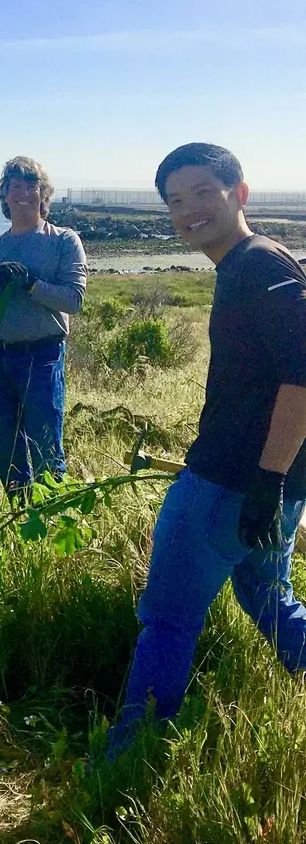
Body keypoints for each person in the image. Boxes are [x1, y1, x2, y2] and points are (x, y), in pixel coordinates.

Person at [108, 143, 306, 759]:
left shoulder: (256, 266)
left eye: (203, 193)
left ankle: (127, 758)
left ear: (239, 193)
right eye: (175, 200)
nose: (189, 210)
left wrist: (266, 483)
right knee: (268, 599)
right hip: (267, 484)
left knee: (166, 621)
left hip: (229, 484)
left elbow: (302, 377)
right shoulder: (248, 265)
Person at [0, 156, 86, 497]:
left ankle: (52, 517)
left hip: (42, 355)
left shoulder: (63, 241)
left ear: (43, 194)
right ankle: (20, 517)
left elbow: (73, 300)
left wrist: (32, 284)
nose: (23, 194)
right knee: (4, 447)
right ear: (4, 196)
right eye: (15, 187)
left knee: (46, 443)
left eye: (32, 186)